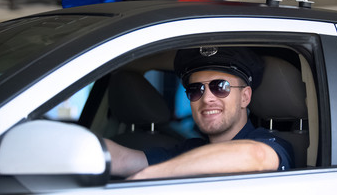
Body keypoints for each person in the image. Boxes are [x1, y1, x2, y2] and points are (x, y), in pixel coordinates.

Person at [105, 47, 294, 180]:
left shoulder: (271, 144)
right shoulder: (190, 149)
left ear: (245, 97)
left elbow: (256, 156)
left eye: (220, 87)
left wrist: (151, 175)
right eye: (196, 90)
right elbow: (123, 159)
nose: (206, 99)